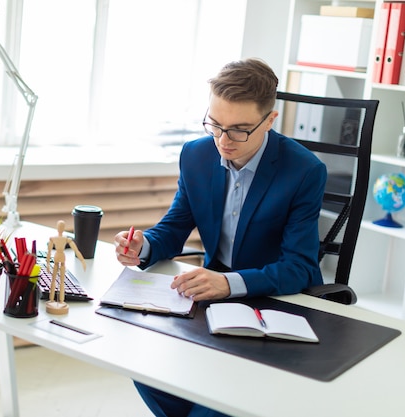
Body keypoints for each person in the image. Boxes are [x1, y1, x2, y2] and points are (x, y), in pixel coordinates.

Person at [114, 58, 326, 417]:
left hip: (275, 304)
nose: (223, 141)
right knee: (144, 365)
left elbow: (300, 268)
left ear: (270, 120)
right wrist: (143, 245)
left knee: (212, 408)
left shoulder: (304, 171)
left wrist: (228, 284)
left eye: (240, 129)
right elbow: (175, 226)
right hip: (209, 301)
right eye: (215, 124)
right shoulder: (196, 155)